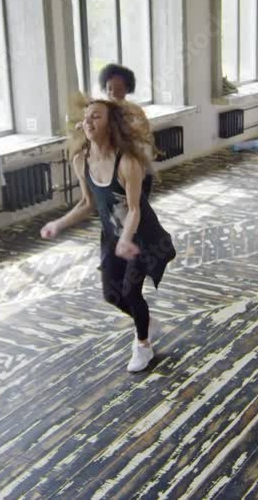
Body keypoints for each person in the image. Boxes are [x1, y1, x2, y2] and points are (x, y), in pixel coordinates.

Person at [41, 100, 176, 372]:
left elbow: (135, 209)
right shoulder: (81, 160)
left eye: (96, 117)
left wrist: (127, 239)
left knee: (131, 291)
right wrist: (59, 224)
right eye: (86, 117)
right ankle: (145, 322)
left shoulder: (127, 162)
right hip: (113, 237)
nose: (88, 122)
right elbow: (87, 203)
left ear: (110, 124)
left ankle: (143, 345)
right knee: (112, 295)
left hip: (142, 238)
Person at [99, 63, 158, 197]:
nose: (113, 93)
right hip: (111, 170)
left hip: (136, 165)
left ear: (127, 89)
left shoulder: (135, 111)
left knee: (138, 204)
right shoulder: (100, 111)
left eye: (119, 89)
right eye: (109, 88)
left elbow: (146, 140)